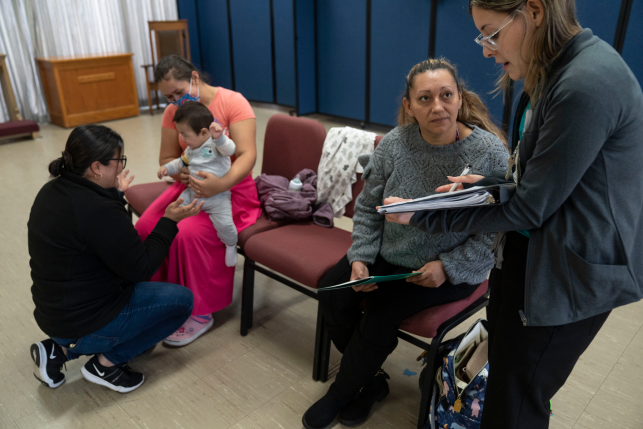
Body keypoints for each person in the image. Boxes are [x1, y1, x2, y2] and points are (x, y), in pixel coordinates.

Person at [383, 1, 643, 428]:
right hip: (526, 253)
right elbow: (536, 180)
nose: (486, 50)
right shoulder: (550, 72)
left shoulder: (586, 83)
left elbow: (531, 206)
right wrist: (488, 188)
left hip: (566, 273)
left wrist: (427, 215)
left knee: (517, 400)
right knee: (504, 375)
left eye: (491, 33)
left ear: (535, 11)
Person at [302, 58, 509, 429]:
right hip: (390, 253)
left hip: (448, 266)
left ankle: (340, 393)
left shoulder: (489, 153)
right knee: (332, 294)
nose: (437, 107)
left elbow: (493, 232)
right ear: (409, 106)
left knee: (380, 314)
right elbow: (368, 205)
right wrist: (361, 257)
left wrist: (446, 267)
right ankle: (371, 382)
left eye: (446, 95)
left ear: (460, 98)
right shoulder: (396, 144)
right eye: (425, 98)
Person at [29, 125, 201, 393]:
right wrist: (169, 221)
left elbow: (103, 237)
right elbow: (141, 267)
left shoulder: (51, 191)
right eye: (119, 161)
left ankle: (59, 350)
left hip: (54, 313)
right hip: (84, 321)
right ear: (97, 167)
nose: (121, 168)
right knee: (182, 302)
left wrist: (115, 196)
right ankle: (106, 365)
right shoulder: (99, 209)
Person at [135, 55, 261, 347]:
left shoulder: (232, 102)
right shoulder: (173, 112)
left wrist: (220, 184)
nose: (175, 101)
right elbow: (168, 158)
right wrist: (180, 173)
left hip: (231, 191)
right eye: (168, 97)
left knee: (187, 234)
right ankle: (159, 298)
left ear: (194, 77)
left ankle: (200, 312)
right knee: (146, 226)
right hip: (192, 188)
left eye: (179, 93)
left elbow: (247, 155)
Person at [158, 101, 239, 267]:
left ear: (203, 132)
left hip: (218, 196)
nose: (182, 138)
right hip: (192, 193)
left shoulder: (217, 144)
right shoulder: (191, 148)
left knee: (224, 224)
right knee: (176, 210)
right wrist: (167, 168)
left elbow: (230, 150)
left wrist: (220, 137)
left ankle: (231, 245)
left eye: (185, 135)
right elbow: (181, 162)